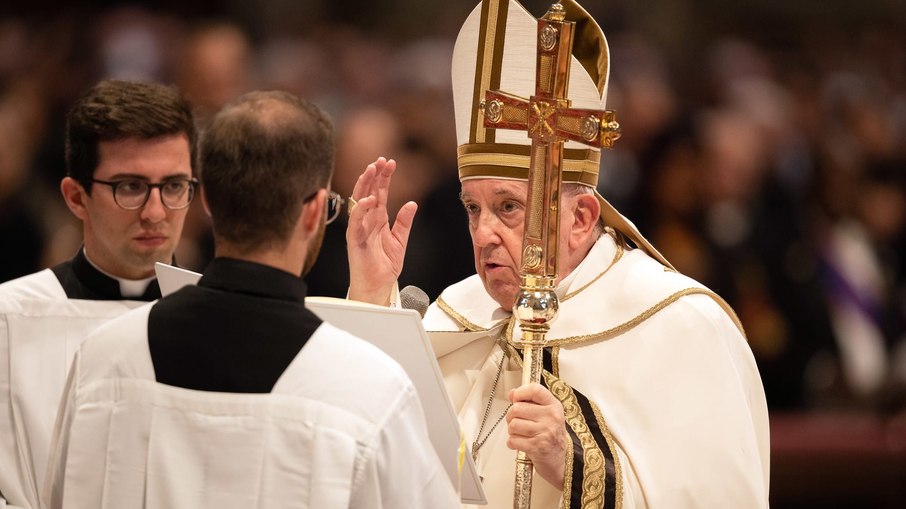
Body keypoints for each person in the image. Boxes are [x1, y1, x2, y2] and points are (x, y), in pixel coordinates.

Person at [346, 0, 770, 507]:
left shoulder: (679, 325)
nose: (482, 234)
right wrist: (372, 296)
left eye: (508, 207)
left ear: (583, 218)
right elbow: (378, 460)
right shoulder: (457, 316)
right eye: (472, 208)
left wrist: (573, 462)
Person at [44, 90, 460, 509]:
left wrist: (367, 298)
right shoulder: (371, 389)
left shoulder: (101, 358)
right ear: (315, 212)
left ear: (206, 200)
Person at [0, 79, 196, 509]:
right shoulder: (9, 319)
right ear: (76, 197)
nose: (156, 212)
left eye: (175, 186)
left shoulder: (223, 324)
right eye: (130, 186)